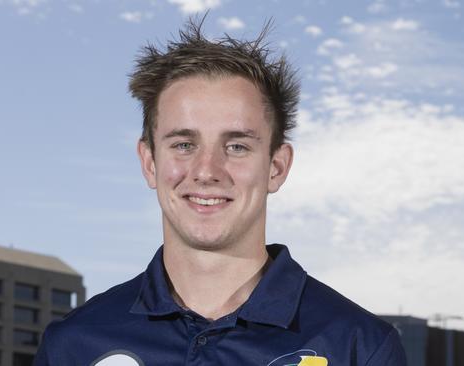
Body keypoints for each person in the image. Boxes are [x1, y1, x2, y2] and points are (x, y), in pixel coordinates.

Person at [34, 18, 407, 366]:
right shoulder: (74, 343)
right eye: (183, 144)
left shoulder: (358, 346)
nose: (207, 171)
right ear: (149, 163)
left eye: (237, 147)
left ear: (277, 167)